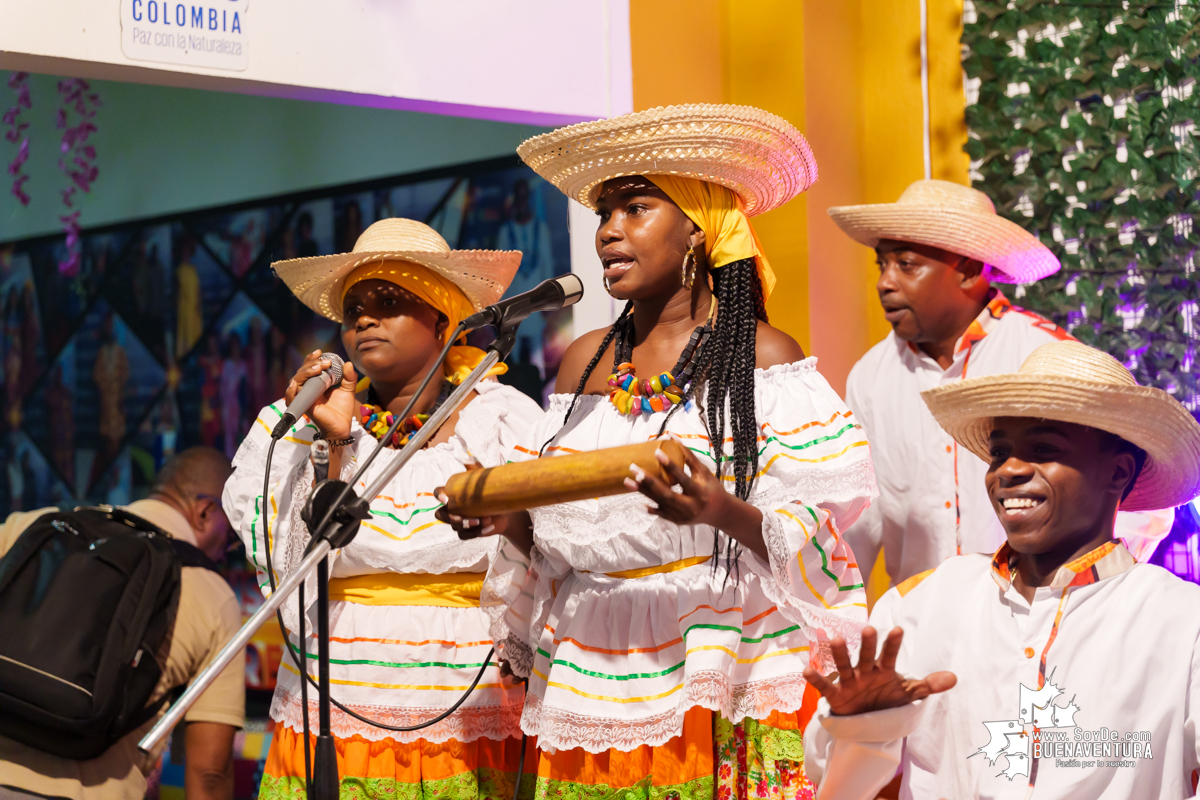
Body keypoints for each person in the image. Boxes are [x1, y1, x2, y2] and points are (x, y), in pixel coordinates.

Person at [445, 104, 873, 799]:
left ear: (700, 229)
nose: (609, 230)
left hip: (714, 660)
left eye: (636, 208)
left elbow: (813, 536)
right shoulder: (582, 363)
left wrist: (719, 509)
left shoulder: (763, 359)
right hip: (592, 667)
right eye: (604, 213)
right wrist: (506, 518)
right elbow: (561, 533)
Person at [224, 218, 541, 799]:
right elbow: (284, 558)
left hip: (462, 697)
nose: (364, 320)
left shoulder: (502, 419)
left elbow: (545, 551)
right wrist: (334, 441)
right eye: (353, 310)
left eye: (389, 302)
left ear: (443, 318)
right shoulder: (304, 423)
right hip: (335, 688)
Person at [802, 340, 1200, 799]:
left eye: (1043, 447)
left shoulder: (1182, 624)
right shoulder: (921, 606)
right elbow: (832, 783)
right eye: (999, 451)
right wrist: (860, 726)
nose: (1008, 470)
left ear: (1118, 473)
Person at [829, 179, 1172, 587]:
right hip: (921, 629)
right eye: (881, 264)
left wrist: (1080, 593)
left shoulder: (1044, 354)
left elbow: (1131, 501)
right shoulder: (870, 377)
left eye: (906, 264)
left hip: (1036, 621)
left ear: (970, 269)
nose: (885, 282)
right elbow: (855, 521)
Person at [0, 447, 245, 800]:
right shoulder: (214, 597)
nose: (227, 550)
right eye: (232, 535)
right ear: (205, 511)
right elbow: (209, 773)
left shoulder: (34, 526)